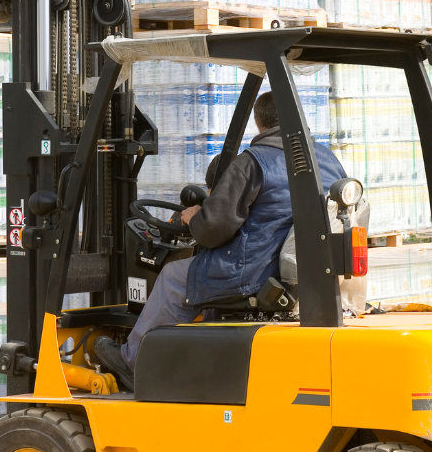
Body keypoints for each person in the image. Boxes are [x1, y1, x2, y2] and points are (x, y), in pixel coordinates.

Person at [94, 91, 347, 390]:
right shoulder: (328, 160)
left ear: (258, 121)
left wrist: (193, 219)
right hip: (302, 273)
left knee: (174, 277)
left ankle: (133, 361)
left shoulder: (254, 162)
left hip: (252, 271)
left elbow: (215, 228)